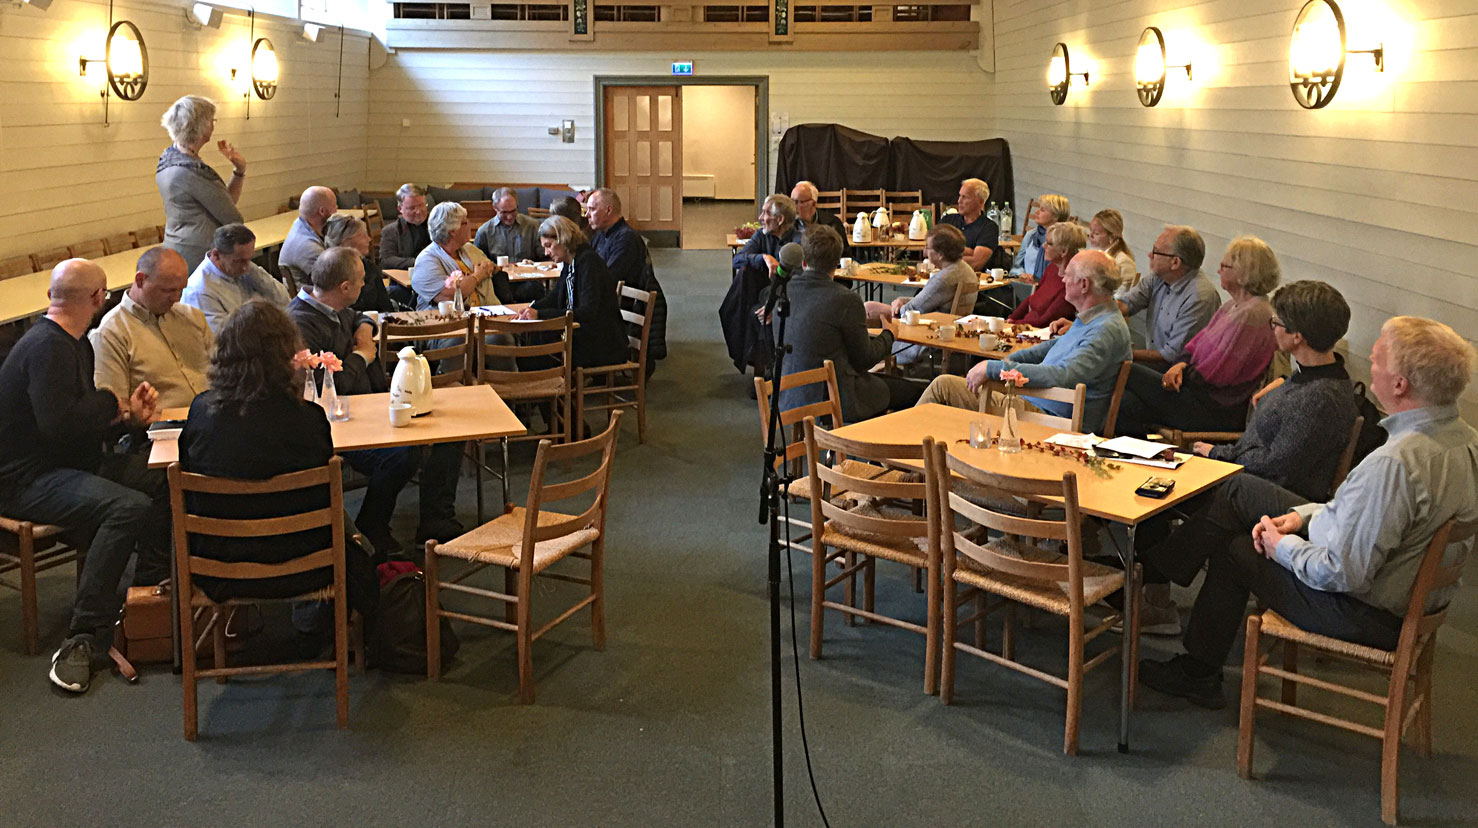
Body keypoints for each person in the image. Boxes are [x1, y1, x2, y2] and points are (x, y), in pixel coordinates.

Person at [1138, 316, 1478, 710]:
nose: (1370, 361)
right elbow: (1367, 515)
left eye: (1379, 358)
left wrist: (1282, 547)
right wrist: (1304, 517)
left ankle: (1192, 660)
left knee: (1237, 549)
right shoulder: (1464, 439)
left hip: (1366, 613)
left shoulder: (1394, 464)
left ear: (1400, 384)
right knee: (1240, 491)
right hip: (1408, 596)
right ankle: (1159, 573)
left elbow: (1343, 572)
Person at [0, 259, 169, 693]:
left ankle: (148, 594)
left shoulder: (75, 343)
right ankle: (83, 636)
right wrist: (110, 403)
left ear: (50, 296)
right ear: (99, 298)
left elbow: (78, 426)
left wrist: (129, 420)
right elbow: (59, 426)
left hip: (62, 464)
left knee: (164, 475)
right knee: (127, 507)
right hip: (24, 481)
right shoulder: (47, 347)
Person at [179, 300, 379, 627]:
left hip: (218, 568)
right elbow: (322, 497)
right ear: (288, 354)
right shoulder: (308, 419)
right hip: (308, 564)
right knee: (349, 528)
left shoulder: (201, 413)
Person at [287, 248, 418, 555]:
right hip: (335, 423)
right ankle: (371, 526)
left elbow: (357, 315)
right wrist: (362, 356)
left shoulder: (332, 306)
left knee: (433, 437)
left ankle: (437, 520)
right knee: (400, 456)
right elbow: (325, 390)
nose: (364, 286)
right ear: (344, 287)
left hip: (366, 409)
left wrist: (364, 330)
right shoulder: (300, 324)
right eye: (360, 281)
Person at [917, 250, 1130, 434]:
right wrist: (1007, 361)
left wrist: (994, 369)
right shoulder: (1095, 318)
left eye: (1068, 275)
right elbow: (1053, 346)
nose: (1062, 279)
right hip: (1036, 403)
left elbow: (1063, 374)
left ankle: (903, 454)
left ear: (1084, 285)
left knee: (943, 387)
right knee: (953, 388)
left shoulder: (1105, 330)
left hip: (1051, 418)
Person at [1114, 235, 1280, 437]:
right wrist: (1180, 364)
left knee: (1125, 370)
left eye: (1224, 266)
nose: (1218, 271)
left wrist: (1181, 372)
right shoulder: (1233, 305)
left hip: (1213, 408)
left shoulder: (1253, 314)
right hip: (1195, 390)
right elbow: (1196, 343)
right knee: (1126, 403)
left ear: (1243, 273)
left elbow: (1218, 374)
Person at [781, 225, 919, 420]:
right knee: (917, 392)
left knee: (887, 383)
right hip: (836, 395)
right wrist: (889, 334)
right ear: (837, 262)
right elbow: (864, 360)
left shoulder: (784, 290)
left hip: (791, 392)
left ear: (803, 261)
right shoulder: (845, 299)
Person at [91, 247, 213, 411]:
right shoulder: (110, 334)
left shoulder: (192, 317)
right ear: (140, 280)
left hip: (214, 413)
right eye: (168, 290)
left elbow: (222, 370)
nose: (176, 298)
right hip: (164, 423)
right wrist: (135, 415)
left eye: (181, 290)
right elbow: (115, 409)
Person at [515, 216, 628, 369]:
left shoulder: (588, 262)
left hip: (602, 342)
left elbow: (587, 312)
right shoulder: (570, 261)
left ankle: (550, 380)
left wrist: (540, 314)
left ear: (563, 239)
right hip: (585, 334)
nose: (546, 252)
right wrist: (531, 308)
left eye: (549, 245)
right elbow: (555, 297)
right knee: (533, 341)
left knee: (533, 353)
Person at [862, 224, 975, 370]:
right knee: (873, 308)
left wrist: (899, 305)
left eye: (928, 248)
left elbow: (911, 310)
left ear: (940, 254)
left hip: (926, 334)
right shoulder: (965, 269)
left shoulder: (944, 279)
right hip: (948, 329)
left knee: (868, 309)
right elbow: (928, 300)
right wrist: (901, 300)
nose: (924, 252)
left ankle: (870, 359)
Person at [156, 95, 246, 272]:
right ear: (201, 126)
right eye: (212, 120)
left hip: (175, 247)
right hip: (197, 257)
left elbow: (224, 202)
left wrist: (239, 170)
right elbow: (232, 217)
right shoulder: (191, 171)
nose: (213, 125)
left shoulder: (169, 159)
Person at [1116, 224, 1221, 368]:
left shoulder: (1200, 298)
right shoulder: (1158, 277)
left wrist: (1122, 354)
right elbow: (1126, 304)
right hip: (1157, 362)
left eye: (1155, 251)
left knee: (1107, 370)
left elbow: (1170, 356)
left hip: (1176, 374)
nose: (1149, 255)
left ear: (1175, 262)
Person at [721, 194, 804, 374]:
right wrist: (763, 258)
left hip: (790, 298)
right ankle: (763, 367)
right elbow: (737, 260)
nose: (760, 218)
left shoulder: (798, 244)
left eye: (766, 213)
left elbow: (799, 283)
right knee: (744, 286)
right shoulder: (761, 235)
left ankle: (770, 370)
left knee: (762, 314)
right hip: (761, 293)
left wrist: (773, 306)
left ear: (780, 220)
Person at [585, 188, 667, 367]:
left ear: (608, 210)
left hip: (619, 307)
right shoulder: (600, 235)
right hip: (606, 300)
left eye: (591, 209)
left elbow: (609, 279)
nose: (587, 215)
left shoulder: (626, 239)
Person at [181, 223, 291, 335]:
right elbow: (224, 338)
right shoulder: (200, 290)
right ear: (216, 255)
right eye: (239, 261)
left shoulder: (244, 270)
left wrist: (254, 271)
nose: (245, 268)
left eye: (249, 259)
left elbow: (283, 299)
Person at [411, 202, 515, 311]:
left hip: (489, 313)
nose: (470, 225)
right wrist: (478, 276)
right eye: (465, 222)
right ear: (452, 231)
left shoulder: (470, 249)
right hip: (447, 319)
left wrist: (491, 267)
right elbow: (449, 296)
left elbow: (491, 268)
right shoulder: (426, 260)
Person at [1006, 221, 1085, 328]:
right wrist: (1011, 319)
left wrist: (1013, 325)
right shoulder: (1052, 268)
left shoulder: (1071, 283)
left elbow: (1044, 321)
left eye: (1049, 243)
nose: (1043, 246)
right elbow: (1032, 299)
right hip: (1026, 325)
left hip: (1039, 331)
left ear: (1064, 251)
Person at [324, 215, 404, 313]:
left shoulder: (369, 267)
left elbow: (386, 306)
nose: (369, 239)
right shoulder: (329, 271)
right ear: (346, 242)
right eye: (362, 236)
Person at [278, 186, 338, 284]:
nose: (336, 211)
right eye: (334, 207)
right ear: (322, 211)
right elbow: (336, 280)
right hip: (313, 292)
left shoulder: (300, 225)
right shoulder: (307, 246)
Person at [939, 178, 999, 271]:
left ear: (980, 202)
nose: (959, 201)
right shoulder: (947, 220)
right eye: (960, 196)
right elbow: (929, 251)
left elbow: (976, 263)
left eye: (965, 197)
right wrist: (969, 252)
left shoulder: (989, 228)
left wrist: (946, 256)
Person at [473, 187, 543, 264]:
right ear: (495, 208)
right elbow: (477, 264)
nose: (509, 217)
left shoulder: (533, 226)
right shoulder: (484, 232)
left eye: (513, 211)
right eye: (504, 212)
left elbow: (545, 258)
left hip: (529, 271)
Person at [1010, 194, 1069, 279]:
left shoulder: (1063, 239)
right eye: (1039, 208)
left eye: (1042, 210)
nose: (1036, 212)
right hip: (1027, 283)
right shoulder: (1031, 235)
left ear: (1056, 216)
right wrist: (1022, 274)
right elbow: (1016, 267)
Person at [378, 183, 432, 271]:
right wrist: (418, 262)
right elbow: (386, 260)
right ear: (400, 208)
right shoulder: (391, 231)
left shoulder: (436, 225)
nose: (418, 211)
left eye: (421, 205)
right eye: (412, 208)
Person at [1088, 209, 1136, 288]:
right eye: (1090, 230)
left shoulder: (1124, 263)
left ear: (1112, 237)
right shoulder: (1093, 254)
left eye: (1096, 233)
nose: (1090, 235)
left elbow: (1123, 294)